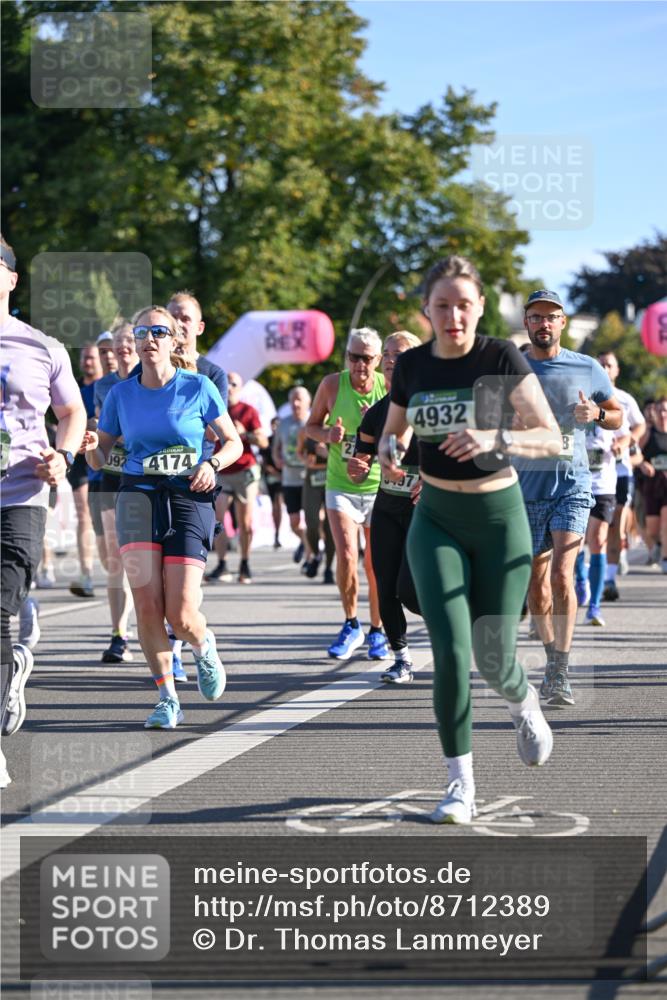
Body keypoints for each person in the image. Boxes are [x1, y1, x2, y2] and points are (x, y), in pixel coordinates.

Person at [379, 256, 562, 824]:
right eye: (442, 305)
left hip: (499, 516)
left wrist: (493, 433)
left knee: (494, 654)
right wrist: (389, 450)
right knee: (452, 653)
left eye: (464, 304)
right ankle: (461, 785)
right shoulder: (411, 366)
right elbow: (394, 433)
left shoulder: (500, 358)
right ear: (426, 311)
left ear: (479, 307)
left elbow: (551, 438)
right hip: (435, 515)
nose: (453, 314)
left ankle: (522, 700)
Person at [83, 306, 243, 729]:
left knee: (182, 612)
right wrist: (88, 446)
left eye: (159, 331)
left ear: (174, 341)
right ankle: (167, 697)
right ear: (135, 342)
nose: (150, 338)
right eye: (143, 332)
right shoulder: (120, 394)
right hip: (136, 496)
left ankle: (203, 643)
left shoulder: (198, 387)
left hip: (189, 494)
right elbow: (102, 456)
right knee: (147, 605)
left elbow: (233, 442)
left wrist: (214, 464)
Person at [0, 235, 86, 785]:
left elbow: (72, 411)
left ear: (10, 279)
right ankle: (12, 672)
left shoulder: (41, 347)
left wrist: (65, 455)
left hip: (20, 496)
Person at [515, 290, 622, 707]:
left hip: (572, 487)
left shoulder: (587, 367)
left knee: (562, 574)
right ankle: (549, 656)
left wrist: (595, 414)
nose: (544, 323)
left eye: (552, 317)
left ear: (562, 323)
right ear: (527, 323)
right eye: (536, 317)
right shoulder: (511, 369)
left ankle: (559, 668)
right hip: (525, 492)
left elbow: (615, 415)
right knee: (536, 585)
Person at [306, 328, 388, 660]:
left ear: (378, 360)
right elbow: (310, 427)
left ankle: (378, 630)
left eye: (366, 358)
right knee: (348, 557)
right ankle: (351, 622)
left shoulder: (388, 387)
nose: (359, 365)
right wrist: (329, 434)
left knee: (376, 565)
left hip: (378, 486)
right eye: (353, 357)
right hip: (340, 486)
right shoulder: (330, 385)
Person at [349, 331, 422, 682]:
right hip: (387, 506)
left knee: (411, 589)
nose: (392, 361)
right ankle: (402, 658)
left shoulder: (430, 408)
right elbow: (358, 461)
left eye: (401, 354)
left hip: (426, 511)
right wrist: (358, 468)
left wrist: (435, 479)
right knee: (385, 582)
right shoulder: (377, 413)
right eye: (388, 355)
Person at [93, 320, 139, 663]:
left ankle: (158, 626)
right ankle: (118, 634)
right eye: (117, 342)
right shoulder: (103, 386)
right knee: (114, 558)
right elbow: (101, 429)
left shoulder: (148, 380)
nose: (123, 346)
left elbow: (119, 430)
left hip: (143, 479)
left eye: (128, 340)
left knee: (141, 559)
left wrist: (117, 431)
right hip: (110, 476)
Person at [205, 372, 267, 585]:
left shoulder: (248, 411)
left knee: (246, 522)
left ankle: (245, 562)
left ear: (241, 387)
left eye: (234, 384)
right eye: (227, 383)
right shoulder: (217, 409)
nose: (230, 387)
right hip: (222, 470)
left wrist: (245, 434)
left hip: (244, 471)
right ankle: (222, 564)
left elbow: (263, 441)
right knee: (219, 520)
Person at [597, 352, 646, 600]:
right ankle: (589, 573)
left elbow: (640, 424)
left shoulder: (626, 399)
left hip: (620, 470)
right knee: (594, 527)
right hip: (594, 472)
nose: (605, 368)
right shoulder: (587, 396)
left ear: (616, 371)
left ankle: (609, 579)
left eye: (609, 365)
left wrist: (629, 440)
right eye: (601, 364)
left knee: (616, 523)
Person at [574, 422, 626, 626]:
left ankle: (594, 607)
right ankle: (581, 579)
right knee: (575, 542)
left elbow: (628, 435)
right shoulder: (566, 400)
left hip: (602, 485)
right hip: (575, 483)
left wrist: (621, 444)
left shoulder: (609, 406)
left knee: (597, 540)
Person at [67, 342, 103, 598]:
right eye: (84, 358)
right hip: (77, 455)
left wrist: (94, 424)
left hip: (104, 454)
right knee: (83, 513)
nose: (87, 362)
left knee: (98, 518)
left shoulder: (108, 387)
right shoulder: (74, 387)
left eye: (91, 358)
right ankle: (86, 572)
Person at [273, 387, 311, 569]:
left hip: (310, 478)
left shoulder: (313, 422)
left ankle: (311, 556)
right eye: (293, 400)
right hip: (289, 478)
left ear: (308, 402)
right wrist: (277, 460)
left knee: (316, 520)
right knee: (294, 522)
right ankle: (305, 542)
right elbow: (275, 448)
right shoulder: (284, 424)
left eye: (299, 399)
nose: (296, 403)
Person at [297, 430, 336, 582]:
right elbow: (299, 452)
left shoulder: (337, 426)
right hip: (312, 478)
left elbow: (346, 455)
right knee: (311, 522)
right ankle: (317, 554)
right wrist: (305, 460)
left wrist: (328, 454)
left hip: (332, 475)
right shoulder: (307, 428)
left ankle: (329, 568)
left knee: (330, 526)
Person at [637, 396, 667, 574]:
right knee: (652, 528)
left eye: (666, 410)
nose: (663, 414)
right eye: (660, 410)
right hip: (651, 486)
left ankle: (665, 559)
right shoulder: (648, 433)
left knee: (666, 523)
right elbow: (634, 453)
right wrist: (642, 464)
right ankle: (658, 544)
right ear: (654, 412)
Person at [260, 416, 284, 549]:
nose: (275, 428)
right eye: (273, 425)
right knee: (276, 504)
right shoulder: (267, 441)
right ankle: (277, 533)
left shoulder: (286, 439)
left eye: (278, 425)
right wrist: (275, 473)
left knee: (279, 502)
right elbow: (263, 463)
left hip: (287, 477)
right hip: (272, 478)